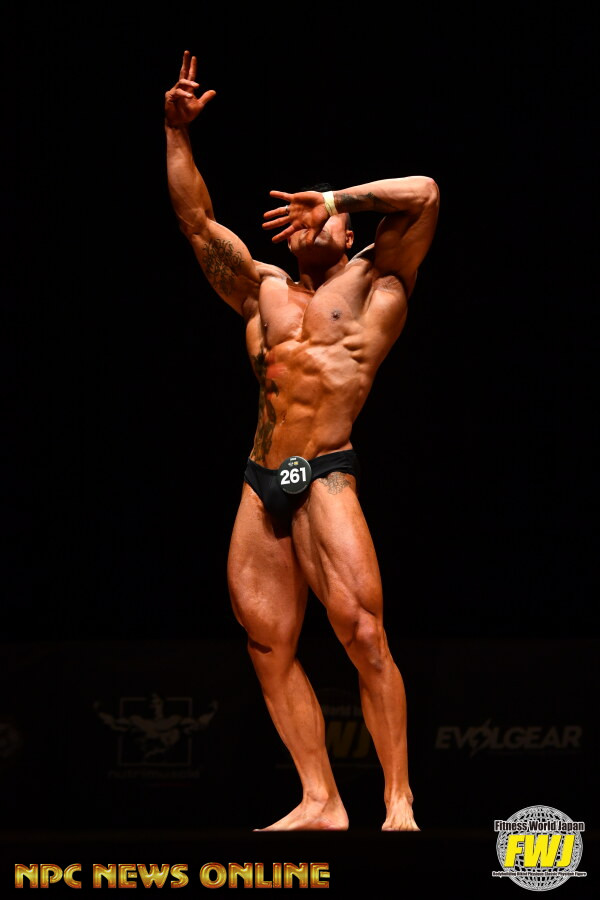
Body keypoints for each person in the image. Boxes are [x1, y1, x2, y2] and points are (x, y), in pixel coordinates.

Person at [165, 51, 439, 831]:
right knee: (265, 642)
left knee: (363, 633)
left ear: (351, 231)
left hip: (323, 470)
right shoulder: (261, 290)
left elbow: (425, 192)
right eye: (302, 214)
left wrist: (335, 194)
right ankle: (321, 799)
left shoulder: (379, 282)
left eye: (325, 215)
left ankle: (397, 800)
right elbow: (195, 222)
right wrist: (177, 133)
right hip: (265, 476)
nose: (309, 220)